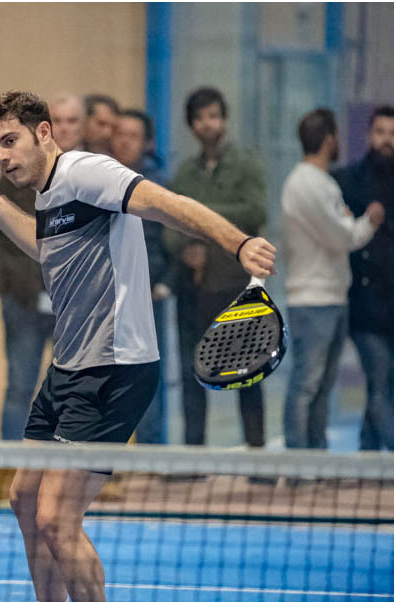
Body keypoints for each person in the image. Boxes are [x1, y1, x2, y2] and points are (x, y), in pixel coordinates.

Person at [0, 90, 276, 602]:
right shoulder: (49, 192)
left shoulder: (87, 173)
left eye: (10, 141)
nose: (2, 156)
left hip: (115, 369)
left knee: (56, 518)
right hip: (70, 368)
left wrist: (238, 243)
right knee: (24, 499)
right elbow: (45, 248)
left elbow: (167, 205)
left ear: (43, 133)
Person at [165, 87, 268, 448]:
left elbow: (256, 212)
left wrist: (203, 216)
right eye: (199, 118)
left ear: (224, 119)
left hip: (235, 285)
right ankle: (193, 460)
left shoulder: (246, 164)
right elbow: (169, 223)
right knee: (191, 374)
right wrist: (184, 248)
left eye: (213, 116)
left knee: (248, 374)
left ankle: (257, 459)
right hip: (194, 287)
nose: (207, 124)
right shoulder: (185, 173)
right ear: (191, 125)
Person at [281, 109, 385, 449]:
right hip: (312, 300)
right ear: (329, 140)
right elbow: (342, 236)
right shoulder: (305, 183)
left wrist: (348, 223)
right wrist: (368, 221)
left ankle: (316, 455)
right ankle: (298, 460)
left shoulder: (323, 182)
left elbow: (340, 228)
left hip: (332, 297)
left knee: (322, 387)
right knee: (306, 384)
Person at [334, 105, 393, 451]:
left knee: (381, 386)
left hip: (391, 302)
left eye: (392, 133)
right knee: (379, 380)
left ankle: (368, 457)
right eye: (381, 132)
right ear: (369, 135)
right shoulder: (348, 182)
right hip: (365, 304)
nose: (387, 140)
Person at [111, 109, 171, 445]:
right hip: (105, 300)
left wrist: (161, 283)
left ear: (147, 143)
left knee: (147, 378)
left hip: (147, 298)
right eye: (119, 134)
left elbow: (171, 242)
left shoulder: (159, 185)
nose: (124, 141)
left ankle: (151, 454)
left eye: (132, 136)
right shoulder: (98, 178)